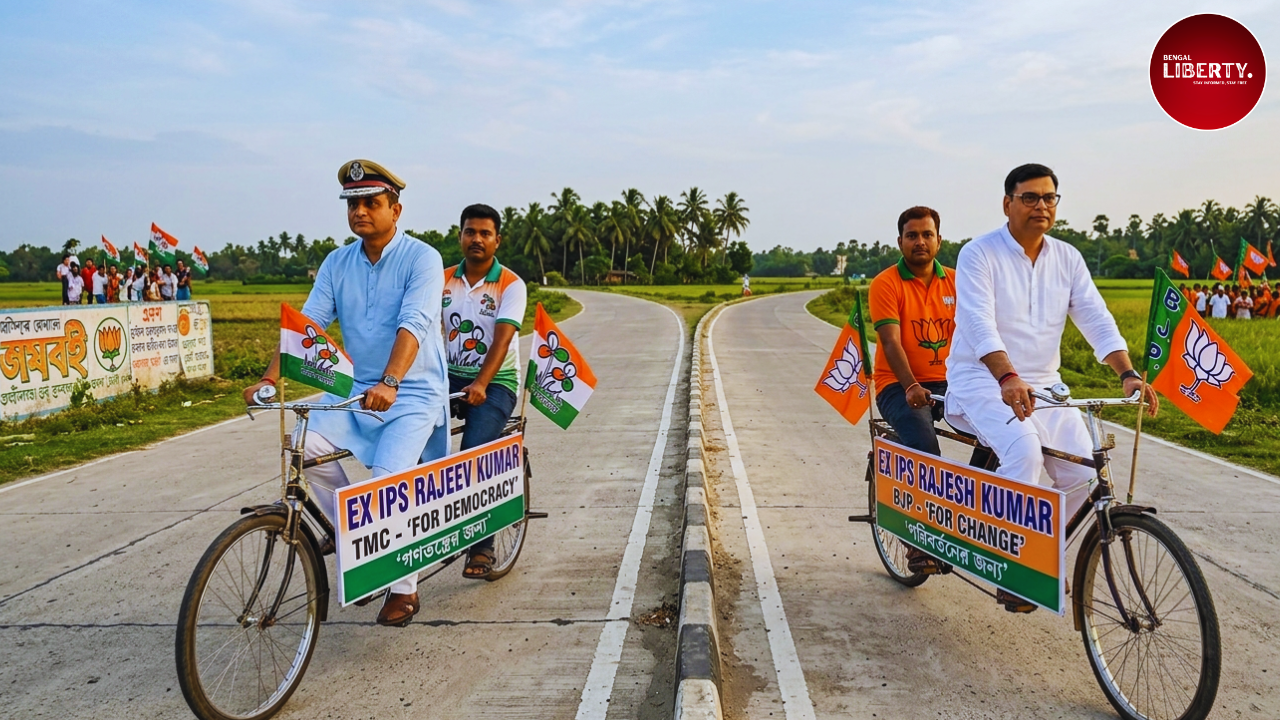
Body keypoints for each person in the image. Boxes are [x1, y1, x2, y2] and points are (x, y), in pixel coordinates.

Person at [241, 159, 448, 627]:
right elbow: (308, 326)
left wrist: (391, 382)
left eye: (371, 203)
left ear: (396, 209)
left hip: (411, 391)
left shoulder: (422, 258)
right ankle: (354, 531)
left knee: (389, 479)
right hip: (358, 390)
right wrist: (271, 378)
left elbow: (413, 322)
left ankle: (404, 587)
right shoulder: (338, 262)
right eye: (353, 203)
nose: (360, 212)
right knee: (303, 441)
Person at [944, 164, 1158, 613]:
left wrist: (1128, 373)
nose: (1041, 205)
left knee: (1085, 477)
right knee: (1024, 452)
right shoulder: (979, 254)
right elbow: (978, 324)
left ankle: (1037, 556)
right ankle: (1008, 565)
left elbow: (1096, 318)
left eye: (1049, 198)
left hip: (1044, 386)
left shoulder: (1067, 257)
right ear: (1008, 204)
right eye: (1030, 197)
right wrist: (1006, 376)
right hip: (983, 380)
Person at [424, 203, 528, 579]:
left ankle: (481, 548)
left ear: (497, 240)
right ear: (460, 236)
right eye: (471, 232)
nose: (477, 239)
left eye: (485, 233)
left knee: (472, 454)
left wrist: (482, 383)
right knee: (415, 442)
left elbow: (502, 340)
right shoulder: (443, 279)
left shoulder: (511, 284)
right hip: (447, 377)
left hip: (496, 381)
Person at [868, 206, 958, 577]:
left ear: (939, 240)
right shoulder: (886, 283)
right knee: (924, 445)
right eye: (912, 235)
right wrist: (910, 385)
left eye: (927, 234)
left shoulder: (957, 280)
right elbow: (891, 342)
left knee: (1000, 434)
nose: (920, 241)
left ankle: (969, 514)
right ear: (900, 241)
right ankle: (919, 541)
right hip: (898, 385)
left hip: (951, 383)